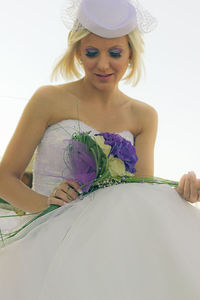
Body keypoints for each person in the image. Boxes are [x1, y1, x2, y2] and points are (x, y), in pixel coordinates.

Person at [0, 0, 200, 299]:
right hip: (42, 242)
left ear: (131, 54)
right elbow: (5, 176)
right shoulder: (48, 99)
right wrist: (47, 207)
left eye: (115, 53)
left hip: (107, 251)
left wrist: (181, 194)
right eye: (92, 52)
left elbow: (139, 193)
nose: (103, 64)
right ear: (78, 52)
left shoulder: (144, 116)